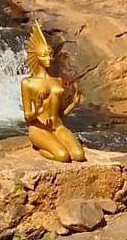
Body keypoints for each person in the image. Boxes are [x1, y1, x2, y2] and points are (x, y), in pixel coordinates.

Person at [20, 21, 86, 162]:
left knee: (78, 156)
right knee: (62, 156)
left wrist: (73, 104)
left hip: (58, 127)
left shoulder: (58, 80)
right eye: (44, 55)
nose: (48, 59)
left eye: (50, 55)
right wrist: (38, 110)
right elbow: (27, 117)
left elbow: (60, 113)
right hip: (39, 129)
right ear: (36, 57)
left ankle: (55, 144)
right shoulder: (28, 83)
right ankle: (41, 149)